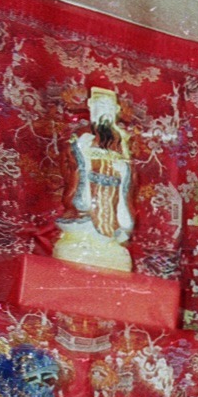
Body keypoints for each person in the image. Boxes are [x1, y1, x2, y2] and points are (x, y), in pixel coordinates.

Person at [52, 86, 135, 273]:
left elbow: (128, 168)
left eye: (109, 107)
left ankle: (109, 245)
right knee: (80, 231)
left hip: (112, 193)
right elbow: (71, 162)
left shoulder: (121, 140)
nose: (104, 111)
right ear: (91, 107)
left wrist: (123, 168)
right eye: (100, 105)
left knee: (115, 230)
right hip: (90, 189)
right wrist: (82, 156)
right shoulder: (82, 137)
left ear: (115, 111)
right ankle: (83, 241)